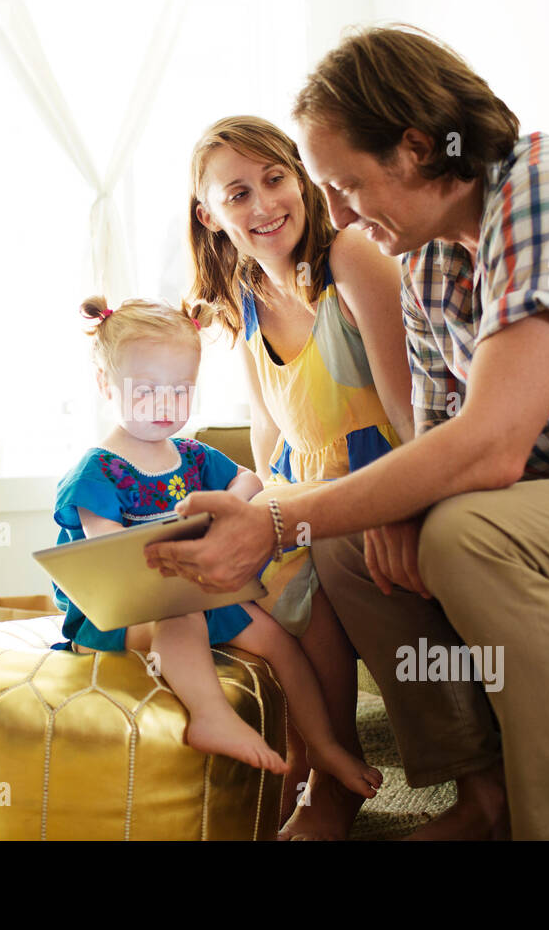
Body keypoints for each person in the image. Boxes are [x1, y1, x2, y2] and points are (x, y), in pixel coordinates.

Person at [148, 26, 549, 840]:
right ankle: (478, 795)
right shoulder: (429, 262)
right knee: (356, 542)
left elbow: (488, 445)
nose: (338, 212)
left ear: (418, 149)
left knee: (464, 536)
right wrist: (372, 508)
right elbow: (434, 441)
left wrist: (278, 519)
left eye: (346, 184)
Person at [49, 295, 383, 804]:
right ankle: (210, 715)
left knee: (278, 641)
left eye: (180, 390)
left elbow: (249, 479)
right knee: (178, 613)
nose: (166, 405)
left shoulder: (191, 455)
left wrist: (224, 510)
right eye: (147, 391)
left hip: (199, 592)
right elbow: (115, 566)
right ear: (105, 386)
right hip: (121, 613)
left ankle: (322, 749)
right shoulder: (98, 472)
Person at [186, 115, 420, 838]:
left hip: (382, 472)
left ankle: (334, 771)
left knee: (293, 556)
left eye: (275, 179)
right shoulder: (246, 296)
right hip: (303, 481)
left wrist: (403, 504)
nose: (263, 206)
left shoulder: (350, 258)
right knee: (224, 554)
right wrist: (242, 501)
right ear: (210, 215)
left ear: (301, 174)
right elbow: (268, 433)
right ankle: (299, 751)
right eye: (237, 194)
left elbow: (410, 407)